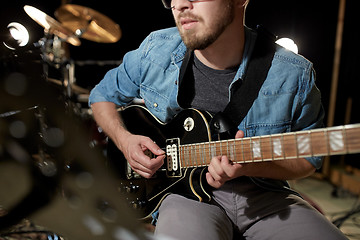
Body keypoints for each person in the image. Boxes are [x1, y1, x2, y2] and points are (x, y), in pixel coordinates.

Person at [89, 0, 348, 239]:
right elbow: (101, 96)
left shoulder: (293, 73)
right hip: (183, 198)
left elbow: (308, 158)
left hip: (266, 197)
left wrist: (249, 166)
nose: (179, 4)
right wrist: (125, 141)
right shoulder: (156, 49)